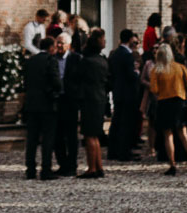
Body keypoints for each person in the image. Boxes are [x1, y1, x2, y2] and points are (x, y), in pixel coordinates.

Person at [149, 44, 187, 175]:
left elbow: (154, 89)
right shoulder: (180, 67)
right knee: (183, 134)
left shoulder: (156, 70)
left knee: (168, 135)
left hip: (164, 102)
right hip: (179, 102)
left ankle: (172, 165)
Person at [70, 29, 110, 179]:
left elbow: (76, 78)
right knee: (96, 134)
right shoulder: (103, 61)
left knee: (89, 135)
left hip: (88, 99)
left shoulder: (86, 62)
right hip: (100, 98)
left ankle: (92, 168)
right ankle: (99, 166)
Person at [20, 37, 60, 180]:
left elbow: (25, 83)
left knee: (31, 139)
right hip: (47, 105)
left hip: (31, 105)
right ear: (50, 48)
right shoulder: (50, 60)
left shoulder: (30, 61)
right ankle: (46, 169)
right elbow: (56, 81)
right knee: (47, 139)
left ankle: (30, 170)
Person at [106, 29, 141, 161]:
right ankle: (124, 152)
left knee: (116, 122)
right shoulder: (127, 55)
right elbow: (130, 75)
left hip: (118, 92)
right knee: (126, 123)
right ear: (130, 39)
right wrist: (136, 72)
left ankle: (113, 151)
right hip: (128, 93)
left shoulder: (115, 54)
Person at [52, 33, 80, 176]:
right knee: (58, 135)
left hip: (70, 101)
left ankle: (72, 165)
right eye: (58, 43)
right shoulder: (52, 59)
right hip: (57, 101)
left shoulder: (75, 59)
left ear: (68, 45)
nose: (59, 46)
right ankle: (62, 164)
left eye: (62, 43)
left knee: (71, 135)